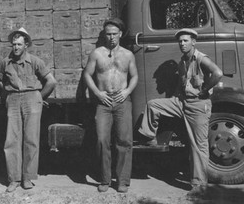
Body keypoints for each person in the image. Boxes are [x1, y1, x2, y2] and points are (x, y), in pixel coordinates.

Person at [138, 28, 223, 200]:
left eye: (185, 40)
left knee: (198, 146)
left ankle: (199, 186)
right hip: (181, 102)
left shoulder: (201, 58)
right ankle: (149, 137)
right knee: (153, 105)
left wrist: (204, 90)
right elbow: (182, 84)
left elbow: (218, 73)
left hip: (198, 106)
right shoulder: (182, 61)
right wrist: (177, 99)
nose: (182, 44)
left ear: (193, 42)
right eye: (180, 41)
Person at [0, 27, 57, 192]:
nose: (15, 47)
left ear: (26, 45)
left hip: (32, 99)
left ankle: (27, 178)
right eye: (14, 44)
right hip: (13, 99)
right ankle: (14, 179)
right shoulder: (5, 62)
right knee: (12, 140)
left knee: (31, 139)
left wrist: (39, 98)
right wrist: (6, 95)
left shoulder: (35, 61)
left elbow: (51, 82)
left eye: (19, 44)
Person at [83, 18, 138, 193]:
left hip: (122, 101)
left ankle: (122, 181)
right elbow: (87, 75)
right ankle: (105, 179)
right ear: (104, 35)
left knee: (124, 140)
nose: (112, 37)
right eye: (108, 34)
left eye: (115, 34)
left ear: (120, 34)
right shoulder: (97, 53)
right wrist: (98, 93)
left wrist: (127, 91)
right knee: (101, 140)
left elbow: (135, 76)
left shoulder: (128, 55)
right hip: (103, 103)